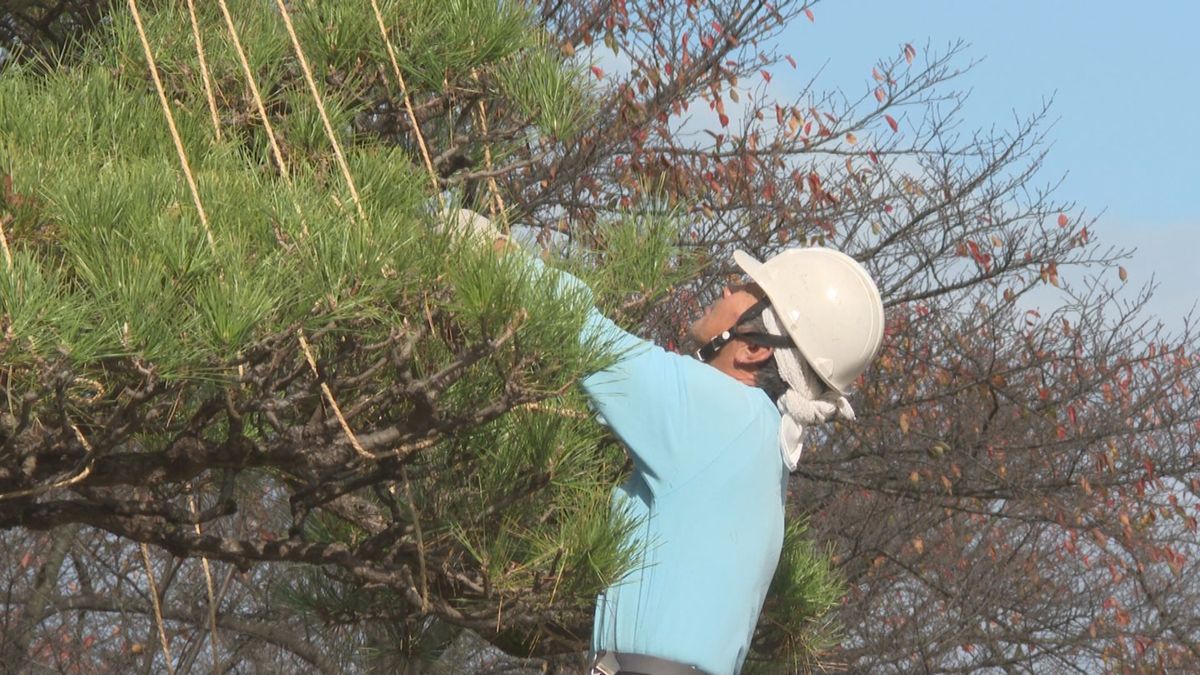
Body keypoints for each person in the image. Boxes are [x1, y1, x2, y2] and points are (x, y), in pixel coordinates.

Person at [444, 210, 885, 675]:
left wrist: (487, 248)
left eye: (745, 290)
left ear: (756, 347)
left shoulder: (717, 409)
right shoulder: (763, 445)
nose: (727, 290)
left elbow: (580, 332)